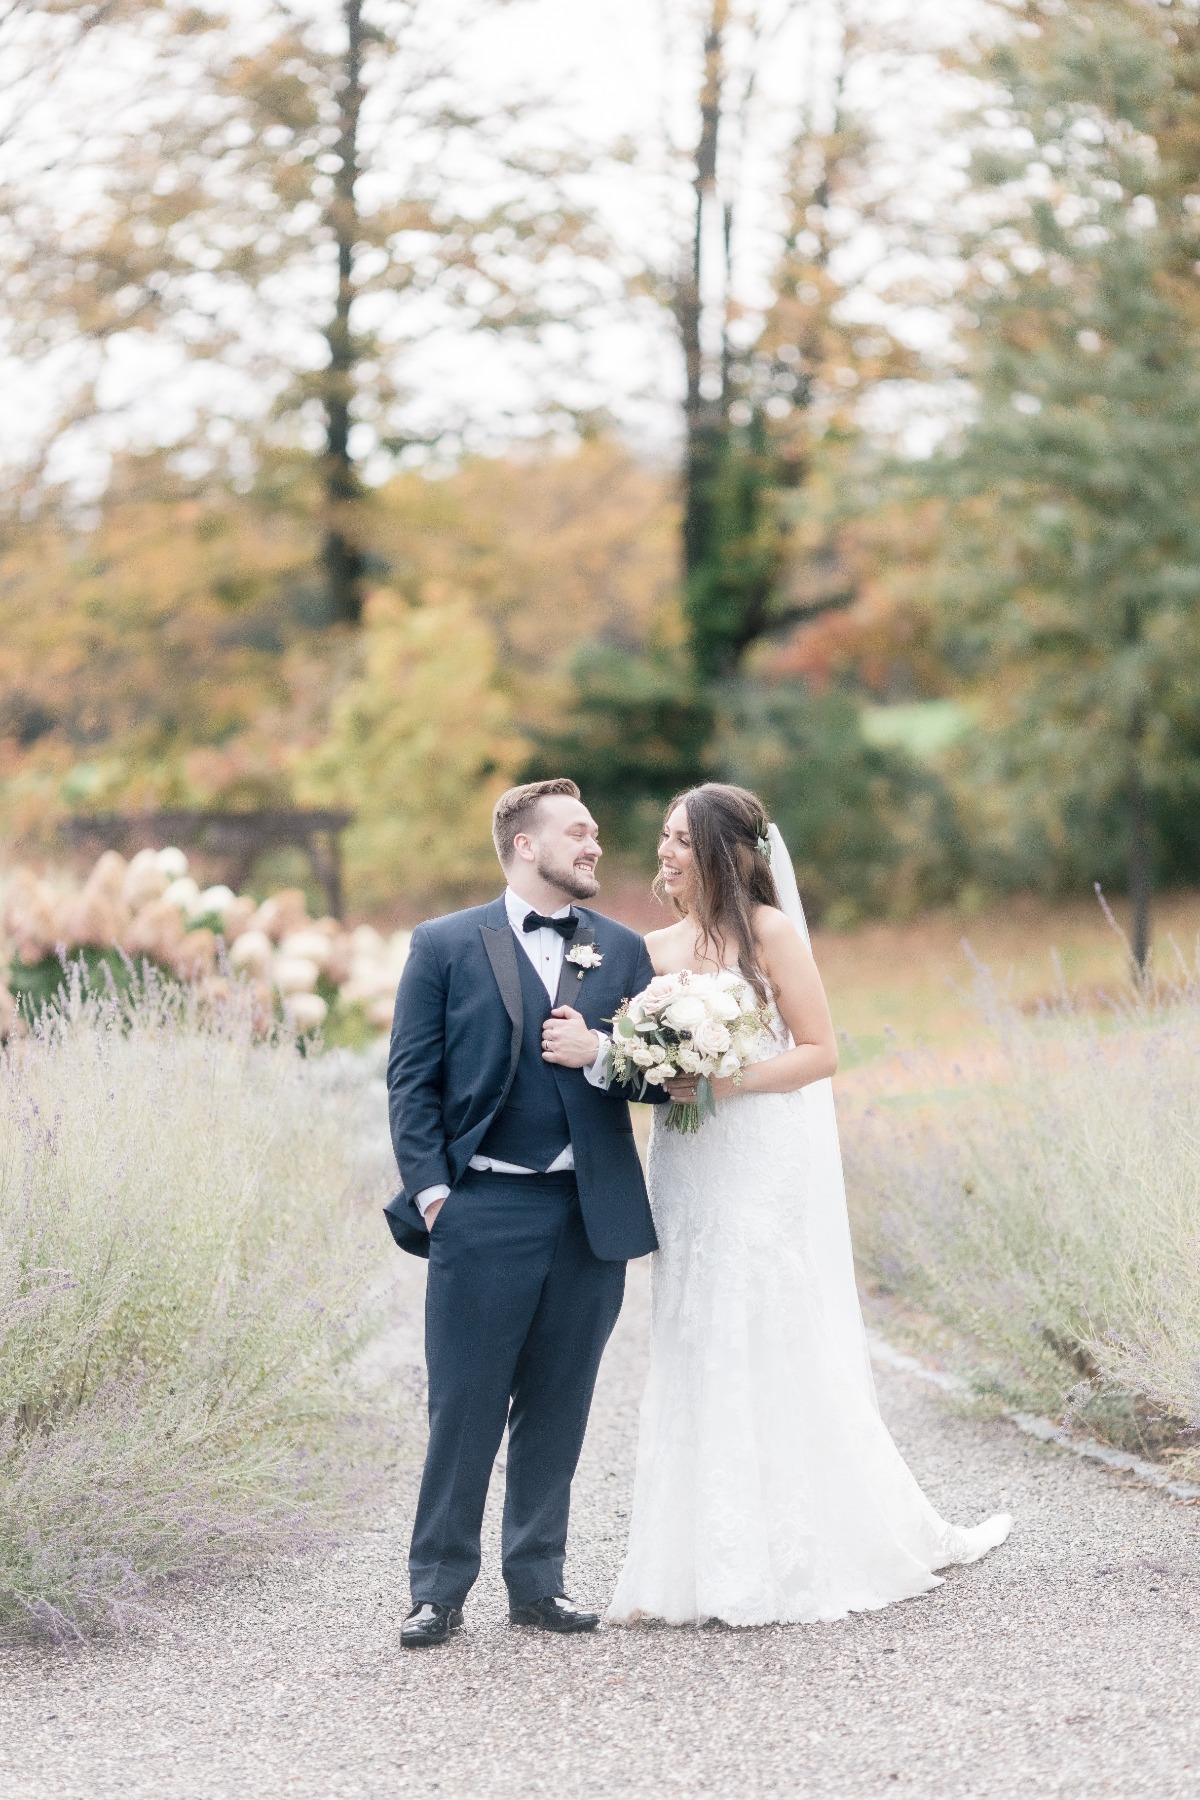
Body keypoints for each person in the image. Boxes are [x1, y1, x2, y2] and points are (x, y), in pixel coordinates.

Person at [608, 783, 1011, 1627]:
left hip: (756, 1156)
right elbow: (640, 1064)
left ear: (721, 851)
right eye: (663, 835)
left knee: (763, 1321)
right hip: (686, 1162)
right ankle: (696, 1558)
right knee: (691, 1326)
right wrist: (654, 1070)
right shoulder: (652, 947)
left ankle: (795, 1547)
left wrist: (722, 1079)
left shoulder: (770, 934)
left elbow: (822, 1052)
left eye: (681, 838)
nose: (665, 851)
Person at [385, 777, 665, 1648]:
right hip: (484, 1205)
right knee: (464, 1406)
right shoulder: (443, 944)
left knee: (561, 1403)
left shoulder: (622, 950)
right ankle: (437, 1589)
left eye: (595, 834)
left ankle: (537, 1583)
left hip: (590, 1214)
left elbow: (662, 1077)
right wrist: (438, 1198)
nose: (594, 847)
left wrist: (600, 1052)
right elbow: (410, 1082)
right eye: (578, 833)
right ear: (524, 846)